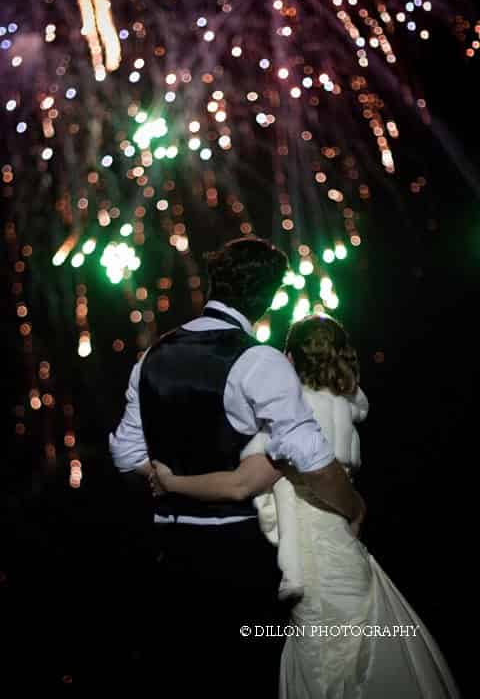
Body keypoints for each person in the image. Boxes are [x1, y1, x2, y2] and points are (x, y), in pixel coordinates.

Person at [152, 313, 461, 699]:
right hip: (349, 559)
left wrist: (172, 482)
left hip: (316, 570)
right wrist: (355, 509)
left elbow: (240, 484)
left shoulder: (292, 421)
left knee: (328, 673)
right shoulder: (345, 409)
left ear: (290, 360)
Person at [109, 239, 365, 697]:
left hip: (164, 548)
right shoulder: (258, 359)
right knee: (245, 674)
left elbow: (127, 454)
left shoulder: (152, 356)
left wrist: (171, 484)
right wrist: (354, 506)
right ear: (267, 298)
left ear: (213, 283)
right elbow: (311, 458)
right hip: (235, 553)